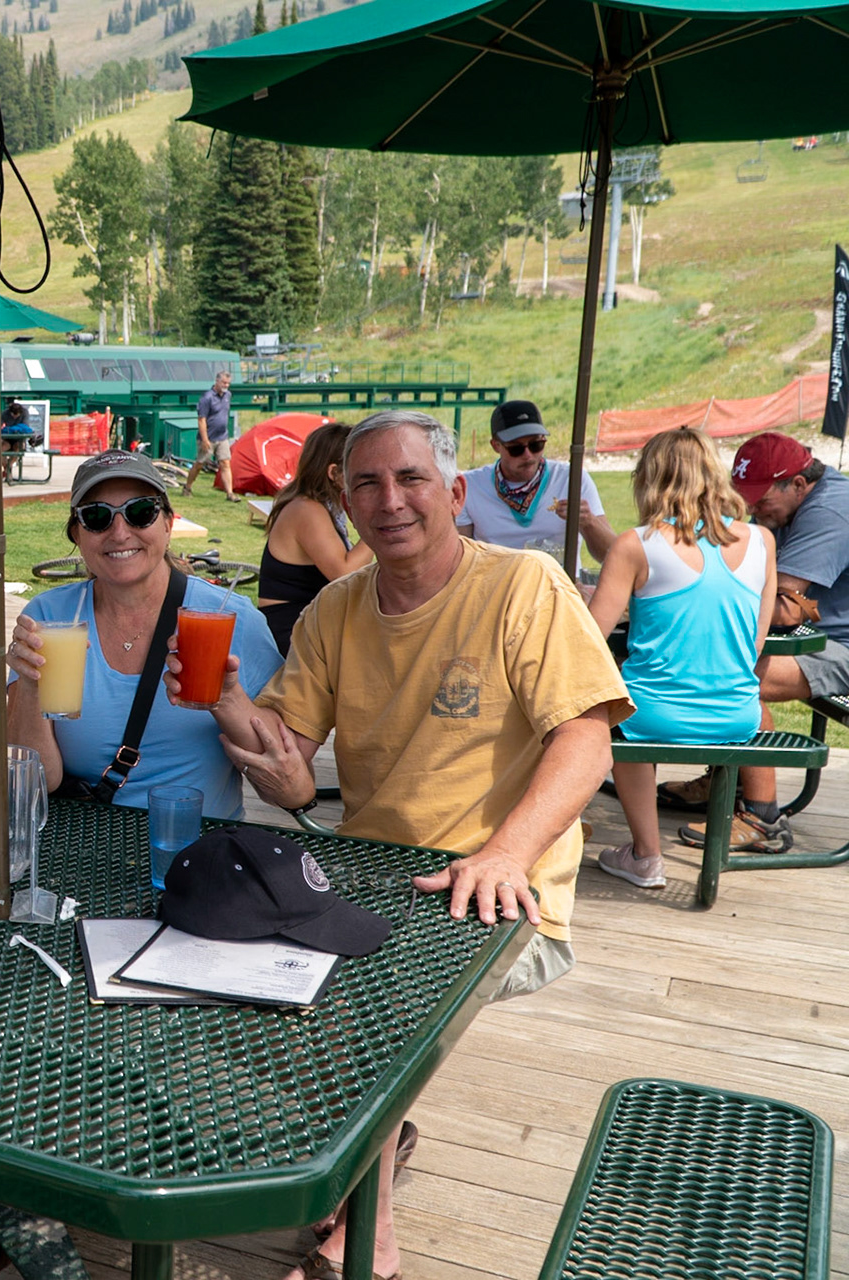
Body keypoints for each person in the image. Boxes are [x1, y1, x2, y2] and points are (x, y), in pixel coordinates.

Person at [183, 410, 630, 1280]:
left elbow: (587, 742)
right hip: (369, 877)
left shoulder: (524, 586)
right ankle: (372, 1138)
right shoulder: (337, 609)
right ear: (346, 505)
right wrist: (227, 701)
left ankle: (370, 1238)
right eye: (367, 484)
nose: (390, 500)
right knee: (216, 960)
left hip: (501, 887)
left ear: (454, 493)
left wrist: (505, 853)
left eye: (411, 479)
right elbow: (290, 771)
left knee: (367, 1011)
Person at [6, 450, 281, 813]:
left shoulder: (230, 618)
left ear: (167, 523)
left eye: (140, 512)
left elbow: (282, 767)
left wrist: (227, 699)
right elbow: (35, 781)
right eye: (97, 517)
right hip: (83, 836)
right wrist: (29, 688)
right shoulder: (49, 616)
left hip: (199, 841)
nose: (120, 533)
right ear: (77, 534)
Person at [587, 428, 776, 888]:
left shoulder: (636, 544)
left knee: (611, 708)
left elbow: (589, 640)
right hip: (737, 714)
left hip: (651, 714)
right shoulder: (761, 541)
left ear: (648, 478)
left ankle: (646, 855)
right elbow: (754, 643)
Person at [669, 431, 849, 850]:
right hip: (816, 637)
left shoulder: (830, 513)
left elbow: (785, 610)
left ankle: (762, 818)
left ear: (798, 484)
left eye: (759, 499)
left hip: (839, 646)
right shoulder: (791, 506)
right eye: (745, 498)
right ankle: (727, 780)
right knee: (720, 660)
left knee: (737, 676)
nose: (750, 509)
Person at [256, 422, 374, 655]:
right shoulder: (307, 510)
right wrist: (378, 527)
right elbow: (344, 573)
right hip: (289, 631)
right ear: (334, 473)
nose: (368, 475)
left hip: (306, 622)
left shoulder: (318, 506)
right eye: (360, 468)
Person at [457, 399, 616, 561]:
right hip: (499, 578)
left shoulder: (572, 479)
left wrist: (589, 522)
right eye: (516, 448)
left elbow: (612, 556)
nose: (528, 455)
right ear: (496, 445)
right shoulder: (470, 486)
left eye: (536, 445)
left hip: (559, 578)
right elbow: (460, 559)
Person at [181, 369, 235, 499]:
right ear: (217, 381)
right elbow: (201, 420)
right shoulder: (207, 398)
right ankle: (187, 487)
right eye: (224, 382)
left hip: (222, 437)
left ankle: (230, 493)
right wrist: (205, 440)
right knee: (199, 464)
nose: (226, 385)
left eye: (228, 383)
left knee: (225, 463)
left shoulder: (228, 396)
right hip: (208, 438)